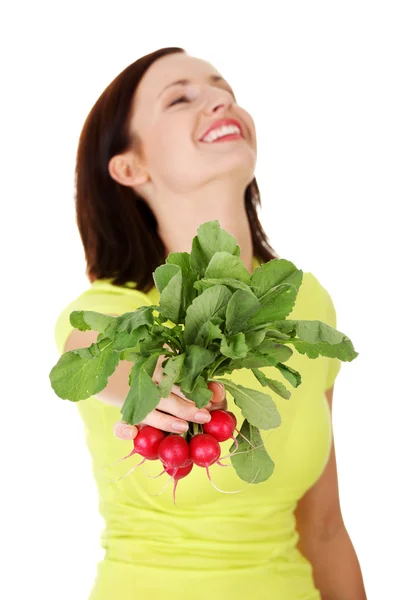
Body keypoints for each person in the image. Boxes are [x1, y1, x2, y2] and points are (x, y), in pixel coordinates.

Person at [54, 47, 367, 600]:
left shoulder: (307, 303)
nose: (221, 99)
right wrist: (146, 385)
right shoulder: (106, 309)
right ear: (130, 167)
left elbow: (322, 530)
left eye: (224, 89)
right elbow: (95, 360)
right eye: (181, 98)